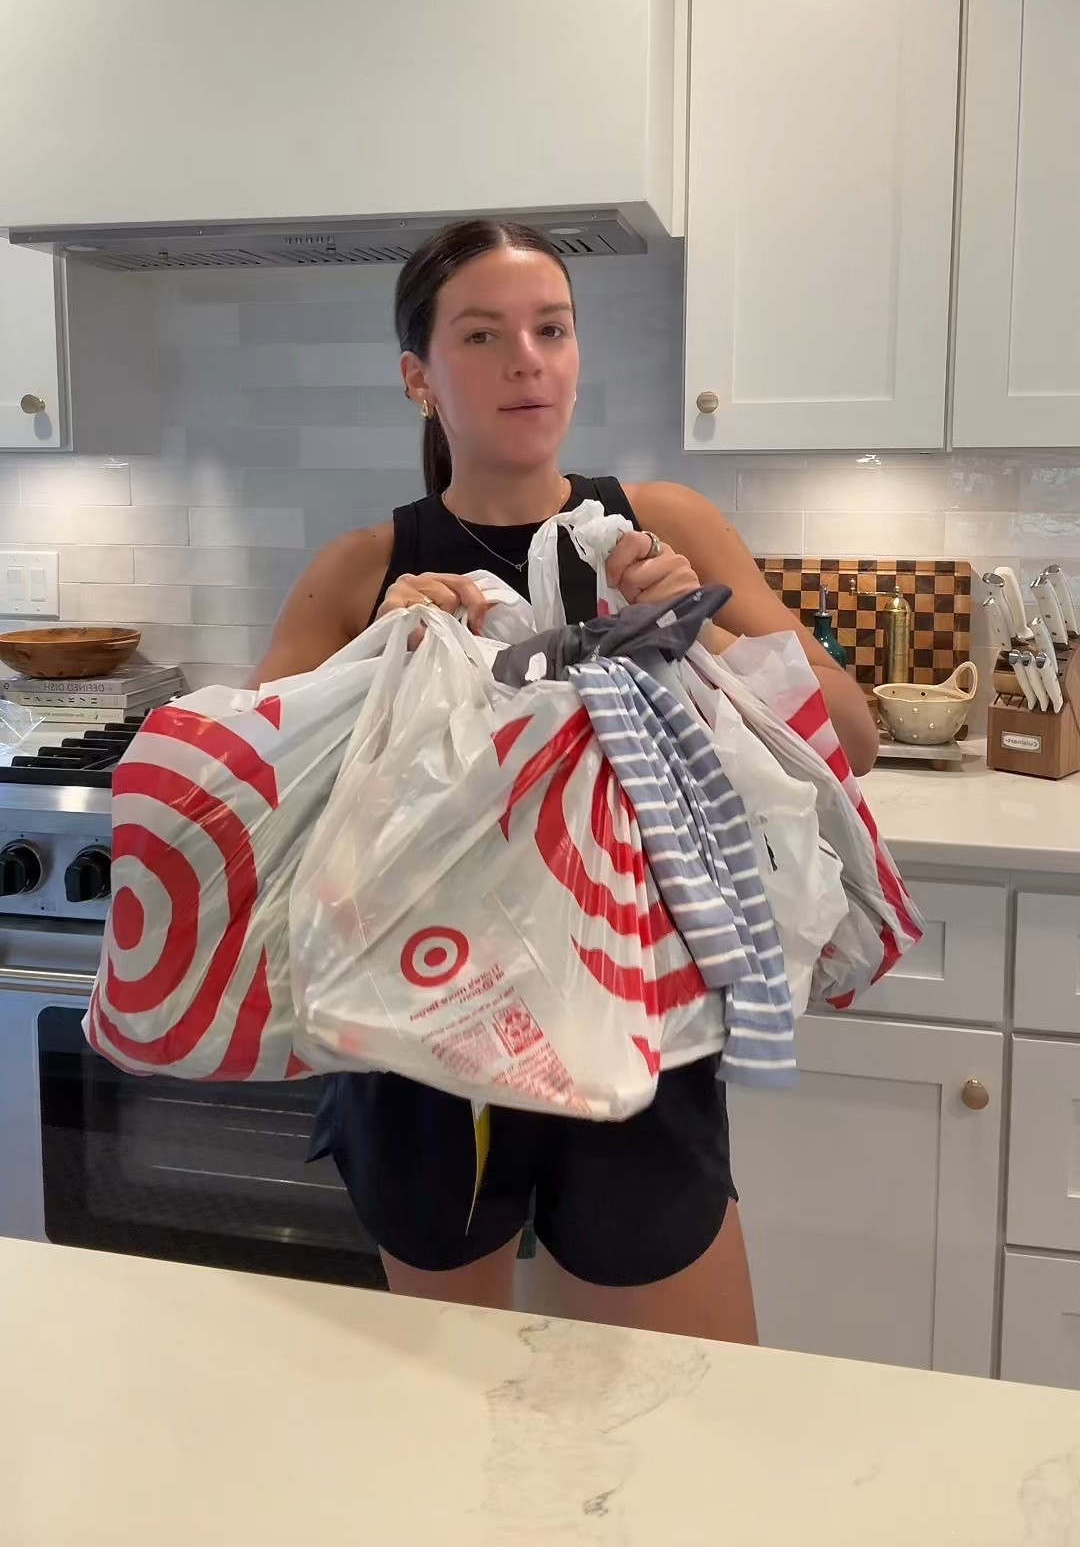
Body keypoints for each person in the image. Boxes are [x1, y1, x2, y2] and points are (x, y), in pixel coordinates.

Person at [255, 216, 878, 1340]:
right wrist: (374, 660)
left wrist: (696, 631)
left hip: (641, 1030)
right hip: (421, 1051)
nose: (526, 361)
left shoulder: (662, 528)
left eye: (551, 329)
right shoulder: (363, 571)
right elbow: (257, 815)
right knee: (453, 1400)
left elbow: (852, 738)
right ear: (418, 377)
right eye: (482, 335)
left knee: (687, 1398)